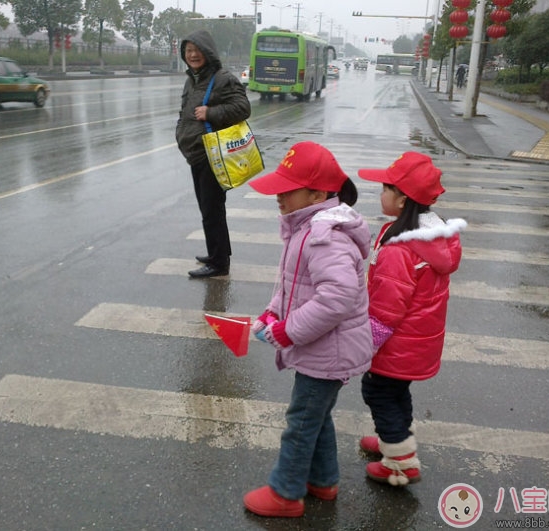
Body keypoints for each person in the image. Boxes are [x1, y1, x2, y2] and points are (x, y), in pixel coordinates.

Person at [242, 141, 374, 518]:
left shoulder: (324, 236)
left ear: (317, 194)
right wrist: (272, 314)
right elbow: (293, 285)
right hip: (324, 347)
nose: (279, 197)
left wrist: (289, 331)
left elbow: (337, 298)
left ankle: (286, 493)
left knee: (301, 421)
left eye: (288, 190)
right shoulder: (307, 227)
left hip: (327, 351)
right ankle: (323, 480)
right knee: (316, 416)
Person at [355, 152, 467, 486]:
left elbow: (386, 311)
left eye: (385, 188)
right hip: (416, 343)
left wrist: (364, 346)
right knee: (395, 391)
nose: (380, 194)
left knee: (378, 392)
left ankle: (401, 463)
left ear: (403, 199)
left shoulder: (399, 250)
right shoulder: (431, 238)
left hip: (395, 343)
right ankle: (395, 437)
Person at [176, 30, 251, 278]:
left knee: (212, 209)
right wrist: (181, 135)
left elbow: (243, 107)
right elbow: (185, 112)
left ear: (208, 53)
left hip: (213, 154)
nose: (193, 55)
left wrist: (211, 113)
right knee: (207, 208)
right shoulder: (193, 80)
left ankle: (219, 264)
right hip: (196, 153)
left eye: (197, 51)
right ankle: (218, 252)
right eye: (188, 51)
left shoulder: (222, 79)